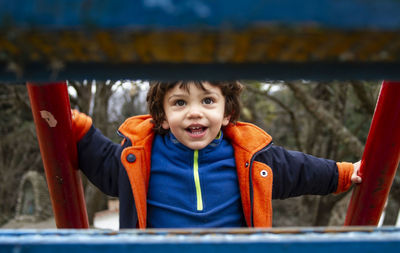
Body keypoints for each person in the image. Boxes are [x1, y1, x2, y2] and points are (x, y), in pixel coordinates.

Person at [72, 81, 362, 229]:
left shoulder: (251, 158)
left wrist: (345, 173)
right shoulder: (140, 156)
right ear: (162, 117)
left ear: (227, 113)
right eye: (180, 103)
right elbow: (104, 163)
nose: (194, 112)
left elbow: (300, 171)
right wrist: (78, 129)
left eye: (208, 101)